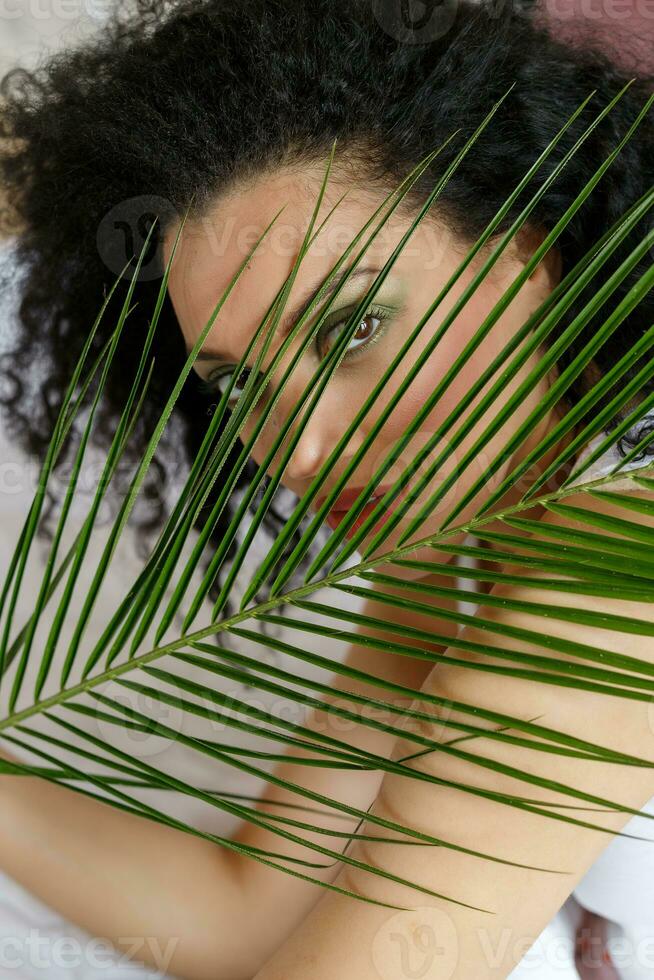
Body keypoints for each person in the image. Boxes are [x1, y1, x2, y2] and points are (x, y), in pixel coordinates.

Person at [0, 0, 653, 976]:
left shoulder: (609, 577)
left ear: (529, 250)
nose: (296, 451)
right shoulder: (457, 527)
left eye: (351, 330)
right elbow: (248, 908)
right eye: (241, 383)